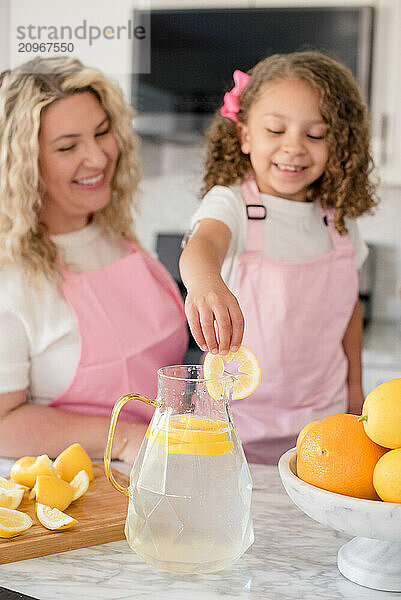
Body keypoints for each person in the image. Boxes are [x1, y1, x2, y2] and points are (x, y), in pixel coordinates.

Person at [179, 51, 377, 464]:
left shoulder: (337, 221)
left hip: (325, 426)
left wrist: (356, 389)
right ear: (245, 135)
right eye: (275, 129)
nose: (294, 147)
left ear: (338, 142)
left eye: (316, 134)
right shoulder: (231, 204)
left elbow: (348, 312)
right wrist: (205, 284)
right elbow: (203, 246)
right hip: (232, 426)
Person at [0, 57, 188, 463]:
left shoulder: (116, 235)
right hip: (79, 498)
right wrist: (124, 437)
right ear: (23, 165)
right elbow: (2, 423)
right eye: (68, 146)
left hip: (160, 469)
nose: (99, 158)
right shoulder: (9, 275)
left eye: (102, 133)